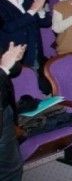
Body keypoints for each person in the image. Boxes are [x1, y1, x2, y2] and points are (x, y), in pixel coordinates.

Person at [0, 0, 46, 67]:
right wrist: (33, 10)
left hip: (34, 49)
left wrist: (40, 10)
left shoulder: (27, 0)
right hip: (14, 55)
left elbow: (46, 23)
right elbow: (8, 27)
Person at [0, 42, 26, 181]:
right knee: (9, 172)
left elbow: (13, 72)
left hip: (5, 108)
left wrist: (14, 61)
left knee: (14, 165)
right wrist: (4, 68)